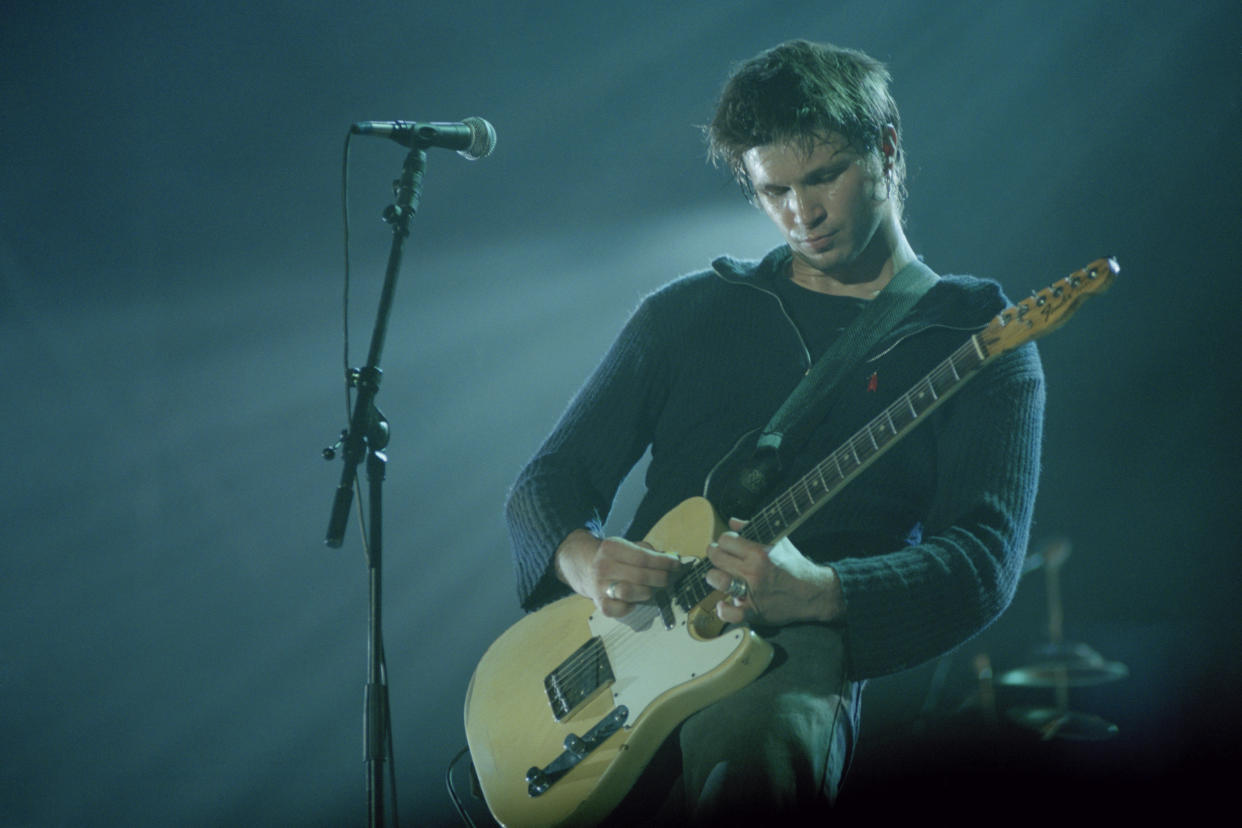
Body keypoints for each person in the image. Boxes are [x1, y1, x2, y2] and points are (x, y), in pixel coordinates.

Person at [504, 39, 1043, 822]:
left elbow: (985, 559)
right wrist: (585, 560)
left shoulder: (973, 336)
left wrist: (827, 592)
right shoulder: (687, 312)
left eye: (825, 176)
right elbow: (545, 483)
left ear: (887, 146)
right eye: (774, 190)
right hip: (627, 652)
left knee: (751, 750)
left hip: (789, 645)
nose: (802, 213)